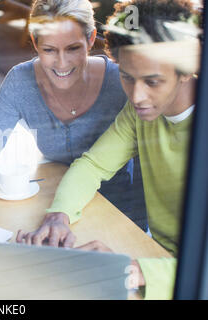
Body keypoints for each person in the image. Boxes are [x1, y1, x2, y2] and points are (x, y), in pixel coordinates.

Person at [17, 0, 201, 299]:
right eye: (127, 77)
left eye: (152, 82)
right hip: (157, 255)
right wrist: (59, 215)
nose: (138, 97)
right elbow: (93, 165)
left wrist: (140, 271)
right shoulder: (138, 112)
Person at [0, 0, 147, 231]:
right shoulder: (20, 82)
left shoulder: (122, 82)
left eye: (73, 48)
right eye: (49, 50)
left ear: (91, 39)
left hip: (117, 212)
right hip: (52, 205)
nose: (61, 63)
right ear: (34, 42)